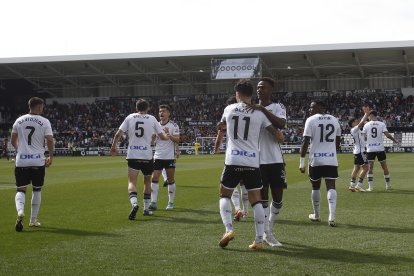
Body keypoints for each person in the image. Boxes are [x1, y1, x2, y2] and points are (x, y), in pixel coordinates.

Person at [218, 79, 281, 250]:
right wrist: (279, 135)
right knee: (257, 201)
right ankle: (259, 240)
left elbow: (222, 125)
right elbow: (275, 132)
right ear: (251, 94)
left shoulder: (228, 109)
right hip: (253, 161)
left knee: (224, 195)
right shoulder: (259, 114)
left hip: (233, 160)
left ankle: (229, 229)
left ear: (237, 93)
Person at [111, 99, 169, 219]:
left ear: (136, 108)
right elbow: (163, 137)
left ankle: (135, 203)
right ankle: (146, 209)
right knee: (147, 182)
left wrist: (113, 147)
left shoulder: (130, 117)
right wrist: (166, 134)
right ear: (147, 108)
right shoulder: (152, 118)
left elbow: (118, 134)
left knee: (132, 182)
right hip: (147, 156)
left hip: (133, 154)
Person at [248, 77, 286, 246]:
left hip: (276, 159)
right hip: (257, 160)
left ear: (271, 90)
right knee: (263, 197)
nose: (259, 90)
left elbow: (281, 124)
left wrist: (262, 109)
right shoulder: (251, 110)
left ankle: (269, 226)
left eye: (263, 87)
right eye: (258, 87)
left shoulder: (277, 107)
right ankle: (267, 233)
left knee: (278, 198)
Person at [11, 97, 54, 232]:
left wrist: (21, 151)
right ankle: (33, 220)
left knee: (21, 189)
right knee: (36, 189)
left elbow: (13, 140)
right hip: (37, 160)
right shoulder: (45, 121)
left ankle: (20, 212)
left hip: (22, 160)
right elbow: (50, 140)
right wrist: (51, 156)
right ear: (40, 107)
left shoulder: (19, 120)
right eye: (42, 107)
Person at [299, 101, 341, 227]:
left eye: (313, 106)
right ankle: (331, 216)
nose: (310, 109)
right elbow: (338, 140)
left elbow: (305, 141)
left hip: (315, 159)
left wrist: (301, 162)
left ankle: (316, 215)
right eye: (310, 106)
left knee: (315, 186)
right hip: (331, 159)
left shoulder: (310, 120)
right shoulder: (334, 119)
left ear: (322, 107)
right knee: (331, 186)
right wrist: (332, 150)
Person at [214, 96, 249, 221]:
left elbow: (220, 135)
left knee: (229, 185)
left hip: (233, 155)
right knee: (245, 184)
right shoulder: (250, 115)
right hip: (249, 156)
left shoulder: (228, 115)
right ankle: (245, 211)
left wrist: (216, 148)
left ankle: (238, 208)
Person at [150, 104, 180, 210]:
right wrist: (153, 138)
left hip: (169, 157)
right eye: (159, 111)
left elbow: (177, 139)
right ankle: (153, 202)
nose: (161, 113)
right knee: (154, 178)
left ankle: (170, 203)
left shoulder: (174, 125)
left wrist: (169, 135)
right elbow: (152, 142)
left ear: (168, 113)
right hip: (157, 156)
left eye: (163, 111)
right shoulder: (155, 125)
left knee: (170, 180)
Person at [362, 110, 400, 191]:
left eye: (368, 115)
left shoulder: (366, 125)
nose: (368, 117)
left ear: (371, 115)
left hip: (370, 149)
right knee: (384, 167)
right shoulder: (382, 124)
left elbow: (363, 137)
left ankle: (370, 187)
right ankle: (388, 186)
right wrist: (395, 140)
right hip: (380, 148)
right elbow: (387, 135)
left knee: (370, 168)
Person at [347, 106, 370, 192]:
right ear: (352, 123)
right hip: (361, 152)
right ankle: (359, 185)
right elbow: (361, 123)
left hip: (357, 151)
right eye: (355, 121)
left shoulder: (357, 131)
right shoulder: (354, 130)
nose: (357, 122)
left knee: (356, 168)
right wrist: (366, 114)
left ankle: (352, 185)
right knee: (366, 168)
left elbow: (362, 126)